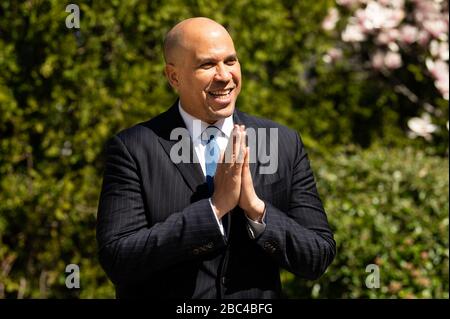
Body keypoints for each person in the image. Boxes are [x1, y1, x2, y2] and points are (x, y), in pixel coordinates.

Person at [96, 17, 335, 299]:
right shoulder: (133, 148)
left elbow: (318, 255)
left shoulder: (283, 143)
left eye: (231, 61)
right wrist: (215, 209)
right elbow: (118, 259)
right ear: (174, 77)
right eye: (207, 65)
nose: (224, 76)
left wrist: (257, 210)